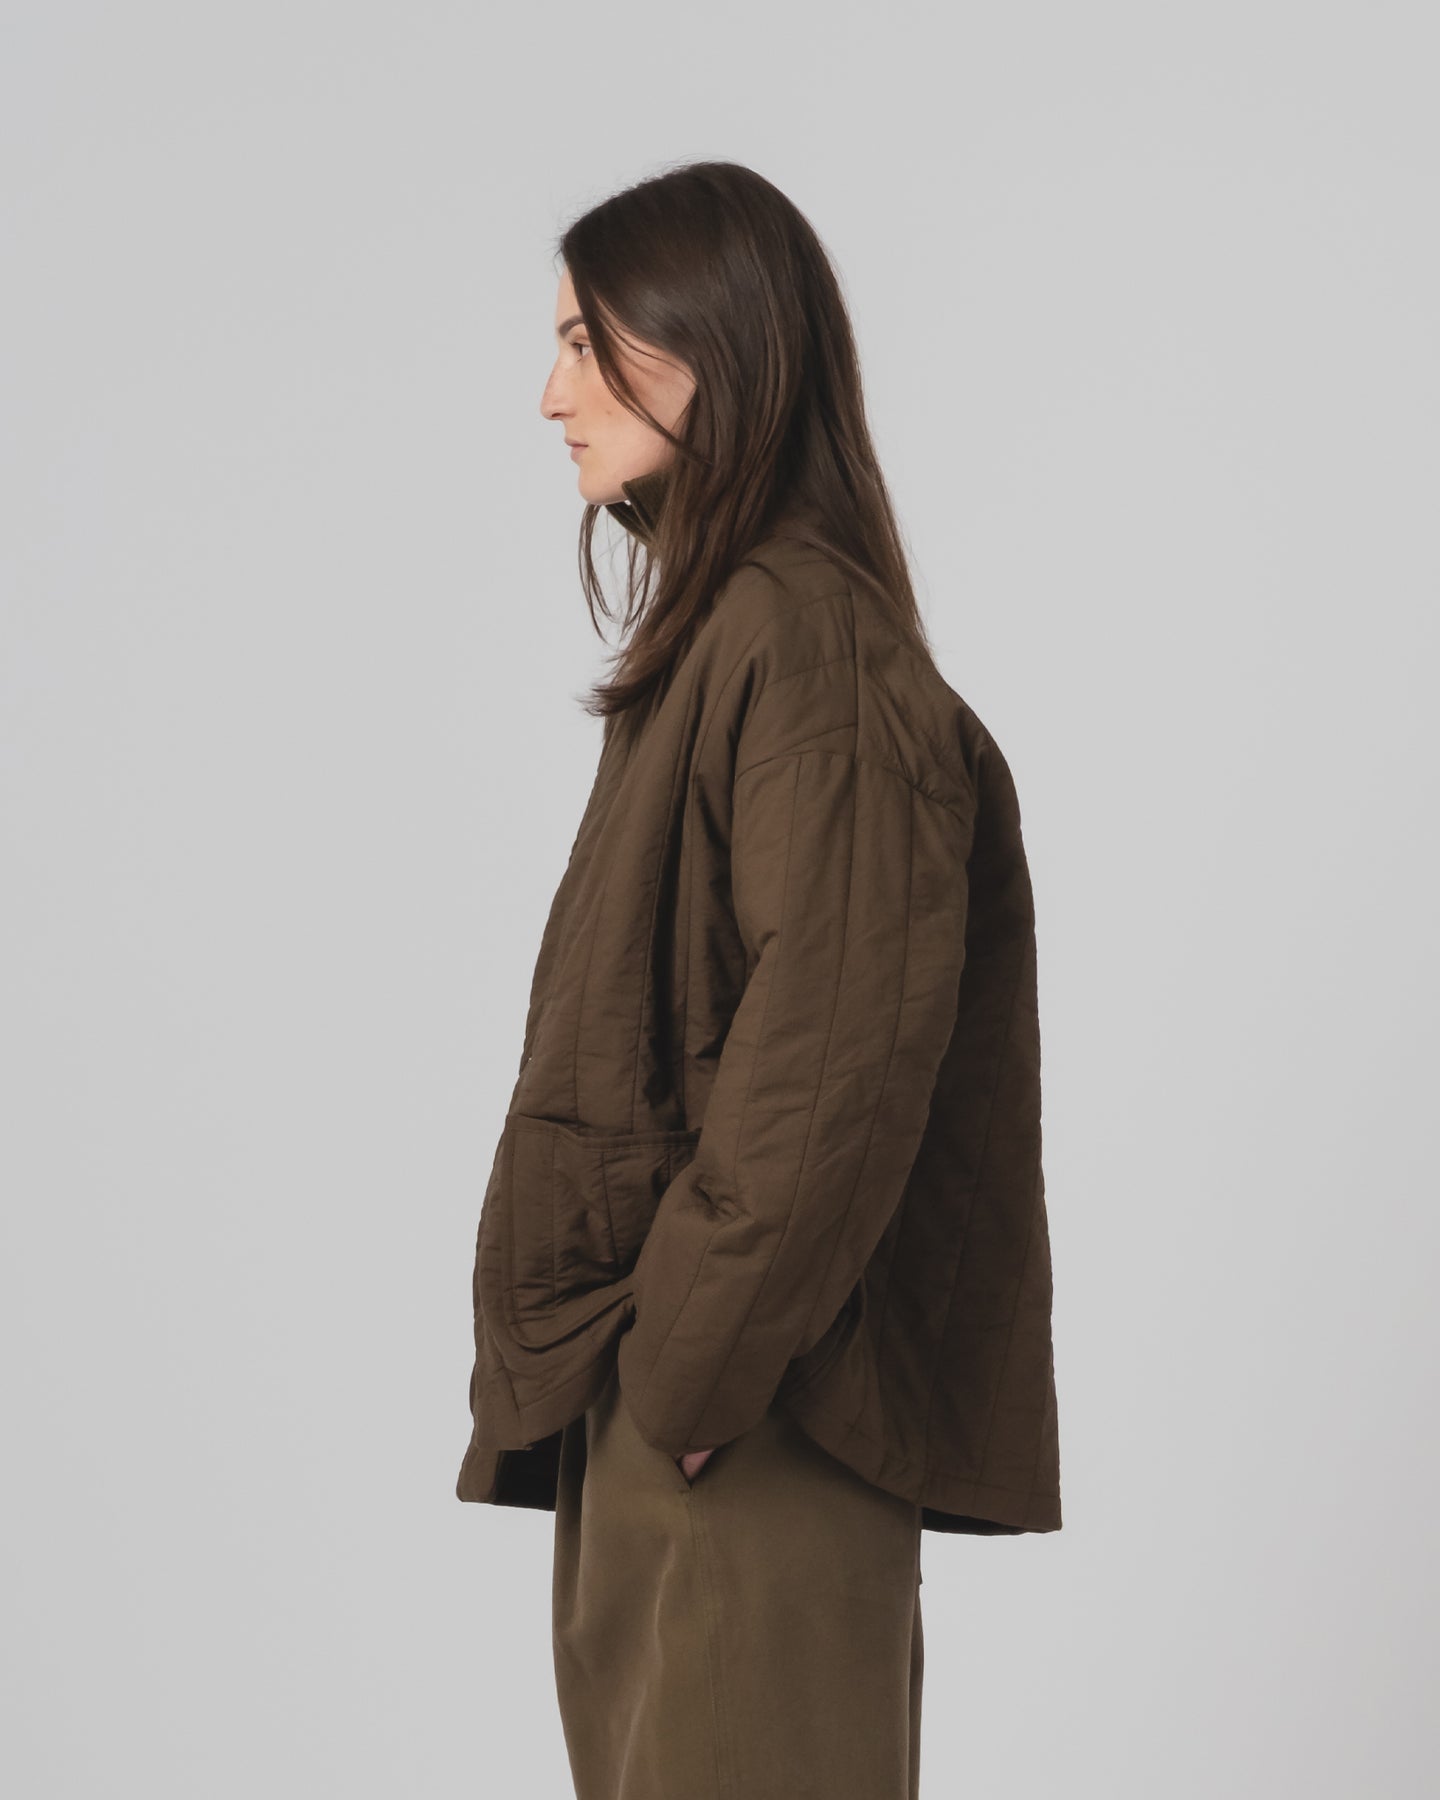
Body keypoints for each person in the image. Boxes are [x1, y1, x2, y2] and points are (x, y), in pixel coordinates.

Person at [456, 160, 1061, 1800]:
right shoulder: (730, 638)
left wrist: (693, 1371)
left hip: (751, 1415)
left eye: (584, 344)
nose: (551, 397)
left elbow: (836, 1053)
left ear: (708, 346)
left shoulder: (807, 646)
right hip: (683, 1408)